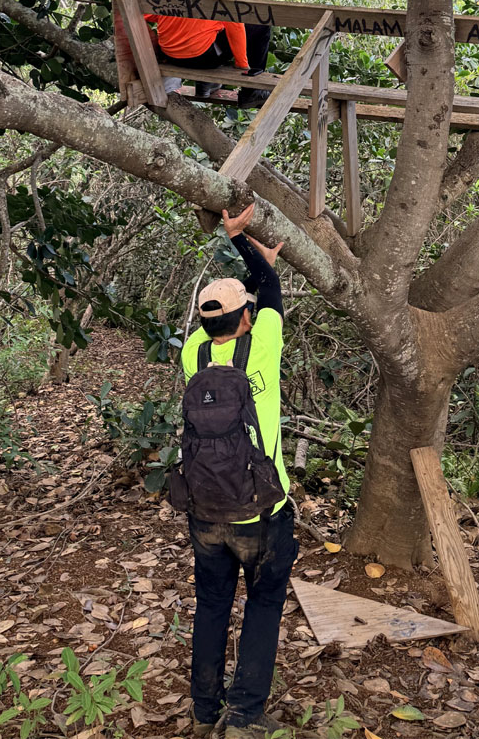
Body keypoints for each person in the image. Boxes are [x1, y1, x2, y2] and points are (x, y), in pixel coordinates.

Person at [181, 202, 297, 738]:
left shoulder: (194, 355)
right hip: (262, 513)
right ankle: (245, 715)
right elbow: (269, 287)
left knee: (211, 605)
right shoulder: (263, 345)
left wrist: (244, 251)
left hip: (206, 512)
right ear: (246, 318)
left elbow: (256, 292)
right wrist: (243, 241)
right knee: (264, 604)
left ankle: (205, 711)